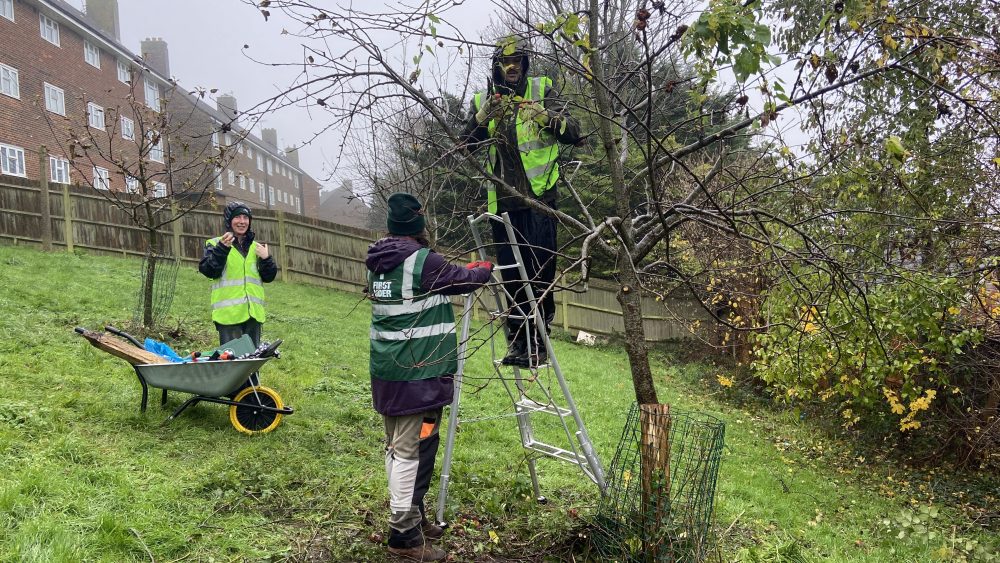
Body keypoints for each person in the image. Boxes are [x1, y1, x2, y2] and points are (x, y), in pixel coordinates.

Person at [366, 192, 492, 561]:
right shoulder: (423, 261)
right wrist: (483, 269)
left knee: (408, 443)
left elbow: (439, 280)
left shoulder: (377, 261)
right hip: (417, 371)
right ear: (419, 226)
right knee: (408, 449)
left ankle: (411, 517)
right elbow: (462, 280)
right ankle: (403, 535)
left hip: (389, 370)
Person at [460, 37, 582, 368]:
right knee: (513, 278)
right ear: (497, 65)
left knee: (539, 273)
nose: (512, 68)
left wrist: (545, 117)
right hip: (502, 204)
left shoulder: (543, 90)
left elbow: (575, 131)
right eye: (505, 62)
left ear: (525, 63)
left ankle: (538, 345)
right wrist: (483, 115)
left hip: (539, 200)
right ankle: (517, 345)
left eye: (518, 61)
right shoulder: (484, 99)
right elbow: (464, 145)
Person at [198, 201, 278, 390]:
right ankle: (235, 398)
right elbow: (209, 270)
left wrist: (267, 259)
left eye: (245, 218)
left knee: (252, 360)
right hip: (229, 316)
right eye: (237, 217)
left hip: (253, 314)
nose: (242, 221)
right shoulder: (215, 244)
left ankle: (251, 398)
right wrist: (222, 249)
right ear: (229, 220)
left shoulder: (257, 248)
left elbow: (269, 277)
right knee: (233, 361)